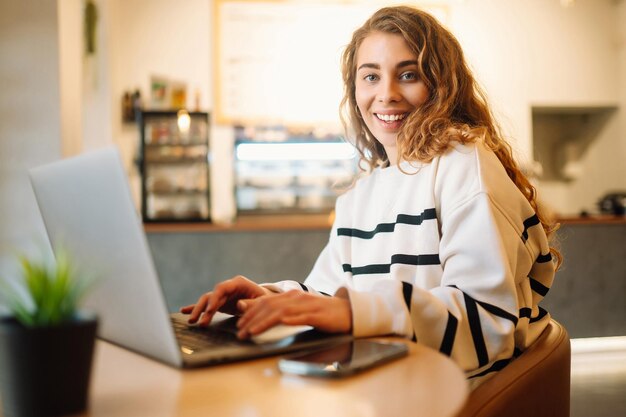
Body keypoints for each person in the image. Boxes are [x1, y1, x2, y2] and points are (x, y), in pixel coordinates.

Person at [181, 5, 561, 382]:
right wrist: (271, 298)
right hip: (385, 389)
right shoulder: (361, 192)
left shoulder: (463, 163)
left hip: (452, 395)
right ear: (354, 89)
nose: (387, 94)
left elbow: (487, 321)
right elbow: (331, 294)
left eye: (408, 74)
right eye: (371, 77)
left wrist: (352, 314)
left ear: (443, 86)